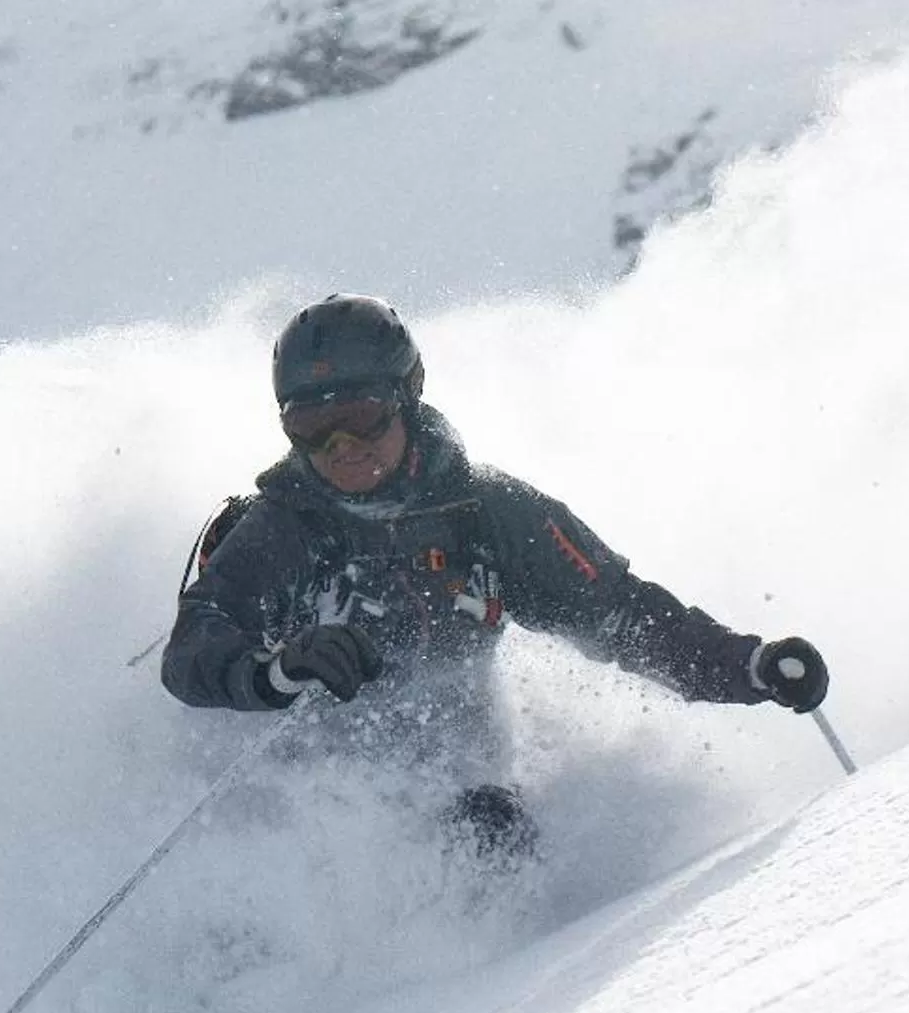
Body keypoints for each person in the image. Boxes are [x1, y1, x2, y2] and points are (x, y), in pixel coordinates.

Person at [160, 294, 827, 861]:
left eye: (360, 418)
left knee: (488, 828)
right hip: (302, 786)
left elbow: (620, 614)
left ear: (406, 393)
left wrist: (749, 666)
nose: (342, 450)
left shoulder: (487, 515)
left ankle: (483, 990)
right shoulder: (286, 527)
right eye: (311, 428)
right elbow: (195, 645)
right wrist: (275, 670)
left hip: (456, 770)